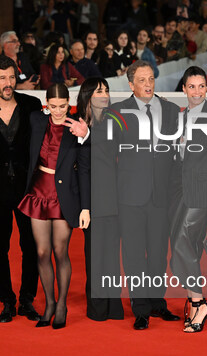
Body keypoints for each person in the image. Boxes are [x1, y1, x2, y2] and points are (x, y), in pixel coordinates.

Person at [111, 60, 181, 330]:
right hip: (129, 197)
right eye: (141, 80)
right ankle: (140, 307)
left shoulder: (172, 110)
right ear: (131, 84)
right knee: (133, 255)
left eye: (151, 78)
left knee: (158, 254)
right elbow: (107, 153)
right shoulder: (118, 112)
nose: (148, 84)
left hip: (161, 197)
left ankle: (156, 302)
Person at [0, 56, 42, 323]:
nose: (8, 83)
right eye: (2, 78)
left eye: (12, 77)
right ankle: (7, 301)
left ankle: (27, 300)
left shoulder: (32, 105)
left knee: (31, 245)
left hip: (28, 189)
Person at [18, 83, 90, 329]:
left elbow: (86, 167)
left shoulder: (76, 126)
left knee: (60, 251)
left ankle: (61, 305)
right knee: (41, 252)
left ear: (68, 104)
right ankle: (48, 303)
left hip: (64, 195)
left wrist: (85, 206)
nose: (58, 111)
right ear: (45, 104)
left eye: (62, 106)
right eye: (53, 106)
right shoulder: (36, 120)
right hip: (38, 190)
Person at [169, 66, 207, 333]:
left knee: (181, 241)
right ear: (184, 89)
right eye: (191, 86)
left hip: (202, 194)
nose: (197, 91)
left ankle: (199, 302)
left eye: (201, 86)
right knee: (187, 245)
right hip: (178, 192)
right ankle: (193, 303)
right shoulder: (178, 118)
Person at [75, 77, 124, 321]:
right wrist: (84, 207)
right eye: (98, 91)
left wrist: (88, 136)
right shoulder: (78, 123)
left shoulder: (114, 118)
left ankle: (114, 308)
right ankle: (96, 309)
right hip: (91, 199)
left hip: (114, 197)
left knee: (112, 257)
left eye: (106, 90)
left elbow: (111, 149)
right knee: (94, 256)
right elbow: (82, 169)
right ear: (87, 95)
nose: (104, 94)